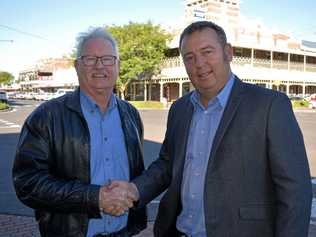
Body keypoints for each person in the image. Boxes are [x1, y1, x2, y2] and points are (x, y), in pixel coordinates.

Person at [110, 21, 313, 237]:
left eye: (207, 52)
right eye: (189, 57)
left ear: (228, 52)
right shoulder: (180, 109)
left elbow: (295, 191)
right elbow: (168, 165)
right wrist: (134, 190)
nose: (199, 63)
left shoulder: (270, 106)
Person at [12, 27, 146, 237]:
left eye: (108, 59)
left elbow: (137, 174)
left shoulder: (131, 115)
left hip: (124, 231)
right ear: (77, 66)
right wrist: (94, 197)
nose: (99, 65)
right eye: (90, 58)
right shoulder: (46, 117)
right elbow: (27, 183)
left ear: (118, 65)